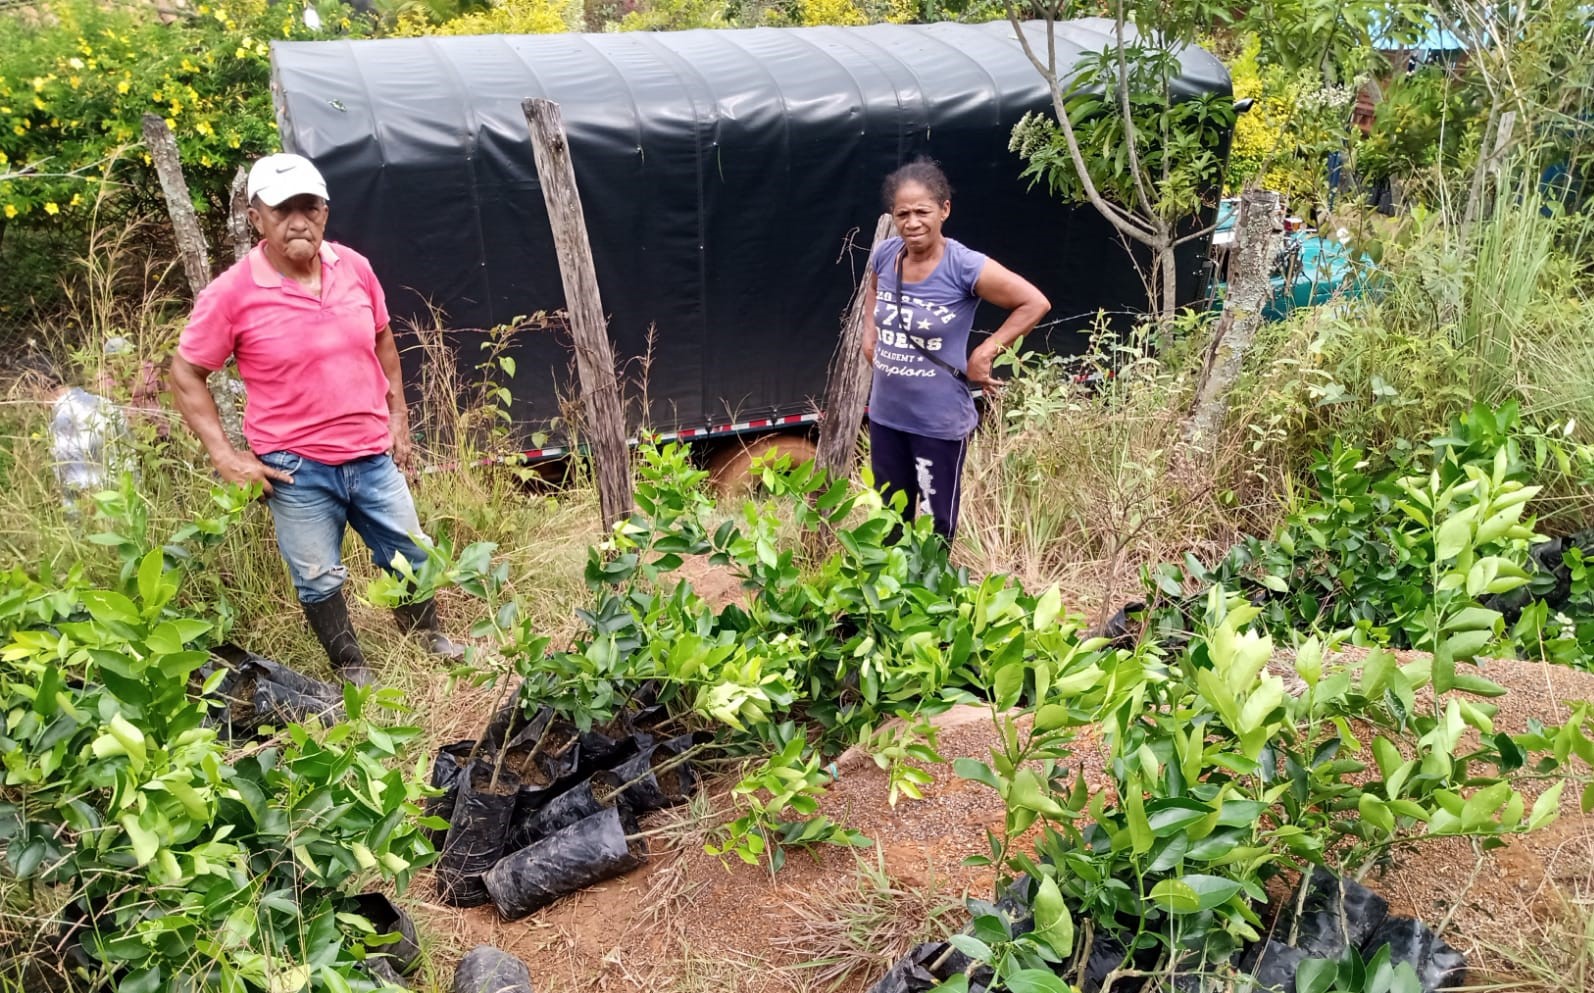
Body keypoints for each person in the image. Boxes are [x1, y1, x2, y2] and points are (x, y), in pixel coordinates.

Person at [170, 152, 461, 685]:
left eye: (309, 206)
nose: (298, 220)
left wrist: (399, 416)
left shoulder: (355, 268)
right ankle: (351, 665)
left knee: (411, 553)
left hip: (372, 453)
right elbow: (186, 373)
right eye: (282, 210)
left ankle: (426, 637)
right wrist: (225, 456)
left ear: (325, 211)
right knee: (316, 576)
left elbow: (383, 341)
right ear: (256, 217)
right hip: (294, 468)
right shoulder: (232, 294)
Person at [863, 159, 1050, 542]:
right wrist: (870, 333)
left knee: (934, 528)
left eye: (922, 212)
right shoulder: (886, 255)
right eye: (903, 214)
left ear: (944, 210)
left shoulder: (963, 266)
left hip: (937, 424)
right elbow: (873, 287)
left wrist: (985, 352)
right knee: (889, 522)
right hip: (886, 417)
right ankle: (890, 598)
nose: (912, 222)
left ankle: (929, 597)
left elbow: (1034, 302)